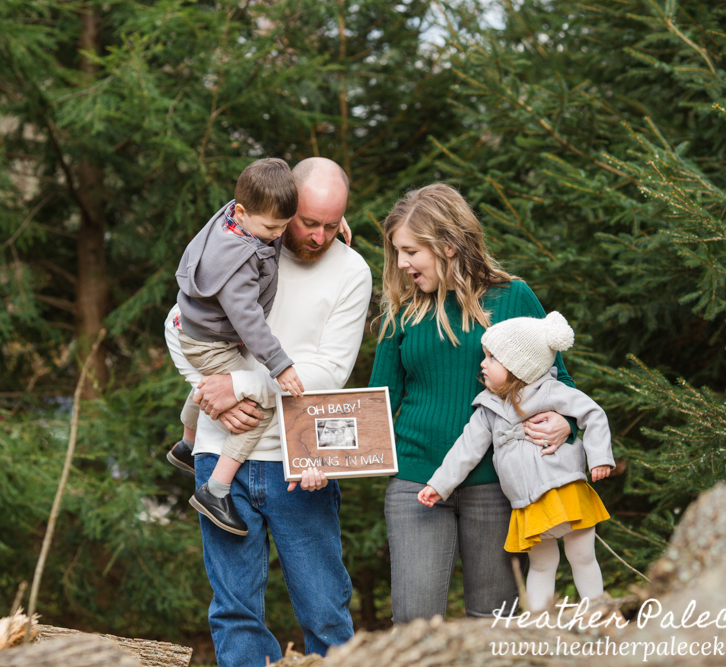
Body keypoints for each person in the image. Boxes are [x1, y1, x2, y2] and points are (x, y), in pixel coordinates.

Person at [164, 157, 371, 667]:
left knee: (324, 609)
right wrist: (210, 390)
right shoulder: (241, 245)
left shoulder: (352, 271)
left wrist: (240, 383)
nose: (320, 237)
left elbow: (330, 371)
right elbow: (178, 325)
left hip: (301, 463)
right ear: (283, 207)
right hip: (220, 451)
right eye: (308, 222)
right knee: (234, 612)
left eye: (331, 224)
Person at [369, 183, 579, 623]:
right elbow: (378, 407)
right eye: (398, 252)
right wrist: (324, 461)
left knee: (495, 624)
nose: (402, 263)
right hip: (417, 482)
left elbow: (560, 384)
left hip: (499, 484)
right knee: (414, 626)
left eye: (411, 251)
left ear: (447, 245)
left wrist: (564, 423)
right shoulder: (402, 311)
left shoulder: (513, 298)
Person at [418, 312, 614, 613]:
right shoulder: (488, 407)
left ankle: (597, 613)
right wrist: (439, 484)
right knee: (541, 564)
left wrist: (599, 458)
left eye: (492, 358)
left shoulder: (550, 391)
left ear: (518, 365)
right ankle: (537, 624)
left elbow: (593, 415)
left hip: (564, 488)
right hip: (527, 502)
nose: (483, 363)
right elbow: (466, 449)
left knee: (582, 555)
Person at [171, 158, 305, 536]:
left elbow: (274, 191)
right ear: (243, 212)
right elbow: (248, 319)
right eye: (272, 228)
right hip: (211, 342)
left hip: (198, 332)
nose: (279, 234)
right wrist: (279, 364)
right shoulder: (237, 259)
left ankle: (186, 443)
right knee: (257, 405)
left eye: (286, 225)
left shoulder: (236, 216)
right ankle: (216, 490)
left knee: (212, 386)